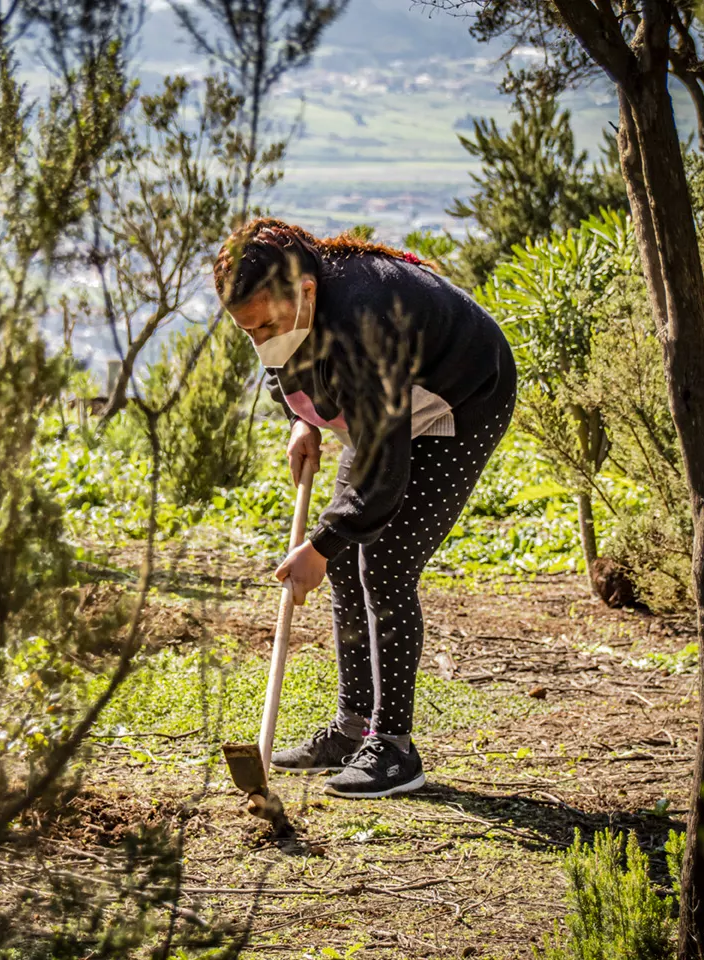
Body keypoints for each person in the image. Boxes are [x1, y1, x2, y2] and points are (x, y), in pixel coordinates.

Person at [214, 218, 517, 799]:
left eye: (267, 325)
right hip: (386, 402)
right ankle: (354, 728)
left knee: (384, 563)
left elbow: (382, 478)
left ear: (306, 291)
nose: (261, 340)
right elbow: (289, 368)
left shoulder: (363, 321)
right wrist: (303, 421)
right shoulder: (288, 311)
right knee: (348, 562)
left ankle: (395, 749)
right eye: (249, 331)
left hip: (463, 395)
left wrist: (319, 547)